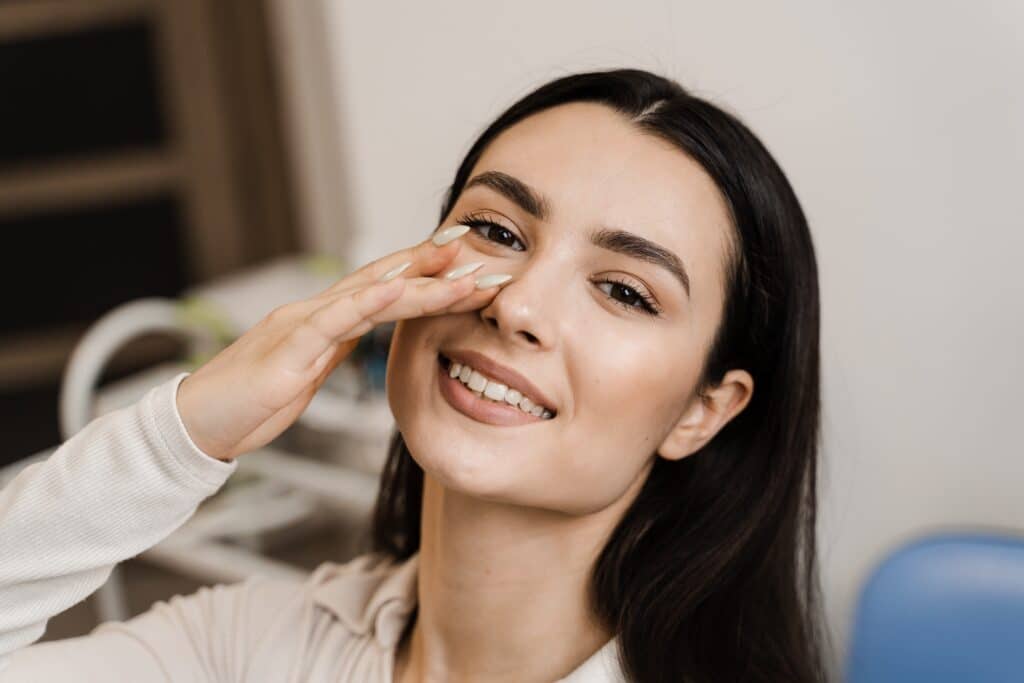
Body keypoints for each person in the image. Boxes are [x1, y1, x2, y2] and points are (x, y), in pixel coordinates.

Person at [0, 69, 828, 682]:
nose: (518, 305)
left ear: (704, 410)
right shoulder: (246, 648)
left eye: (622, 289)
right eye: (497, 231)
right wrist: (182, 433)